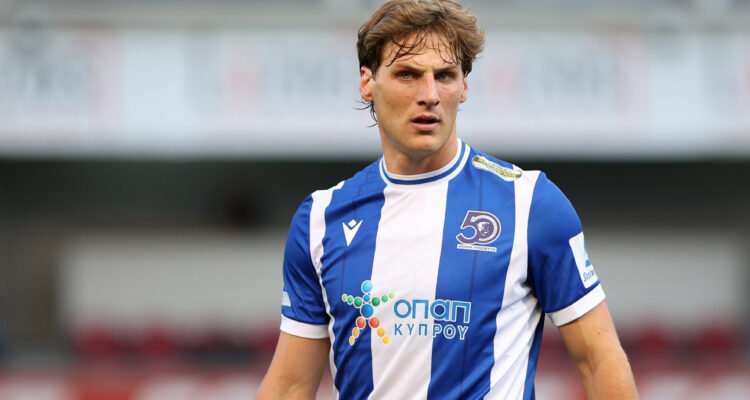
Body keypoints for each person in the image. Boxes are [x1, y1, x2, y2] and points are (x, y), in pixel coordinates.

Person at [257, 0, 638, 399]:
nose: (430, 94)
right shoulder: (321, 218)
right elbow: (291, 385)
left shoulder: (530, 204)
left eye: (444, 76)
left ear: (464, 87)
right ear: (367, 82)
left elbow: (598, 358)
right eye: (407, 74)